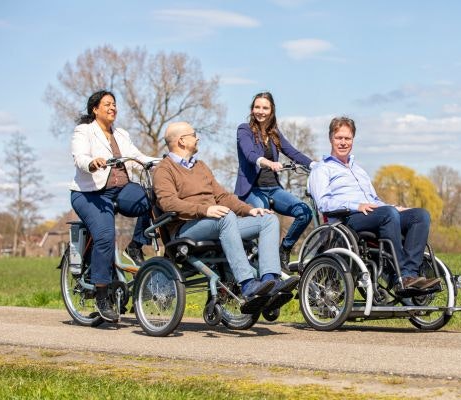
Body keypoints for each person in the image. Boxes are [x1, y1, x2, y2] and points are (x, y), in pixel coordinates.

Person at [153, 121, 299, 313]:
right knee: (225, 216)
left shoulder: (201, 166)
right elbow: (168, 203)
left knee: (268, 219)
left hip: (218, 222)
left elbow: (222, 197)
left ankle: (269, 280)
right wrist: (204, 210)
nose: (198, 138)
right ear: (181, 140)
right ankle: (246, 283)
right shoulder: (164, 169)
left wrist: (249, 210)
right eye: (194, 134)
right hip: (186, 228)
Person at [308, 117, 440, 294]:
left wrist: (394, 207)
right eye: (339, 138)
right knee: (388, 214)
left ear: (353, 140)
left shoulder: (359, 170)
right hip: (347, 219)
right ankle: (399, 276)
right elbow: (323, 203)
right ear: (331, 138)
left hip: (374, 213)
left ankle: (410, 273)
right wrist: (356, 205)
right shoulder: (322, 169)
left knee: (420, 216)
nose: (343, 142)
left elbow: (375, 200)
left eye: (347, 138)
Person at [70, 90, 158, 322]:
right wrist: (91, 162)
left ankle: (136, 244)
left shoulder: (121, 133)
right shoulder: (84, 131)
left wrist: (162, 161)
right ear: (95, 109)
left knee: (152, 198)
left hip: (121, 190)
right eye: (107, 104)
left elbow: (138, 157)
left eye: (114, 104)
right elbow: (79, 156)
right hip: (91, 194)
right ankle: (101, 294)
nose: (112, 108)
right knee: (106, 236)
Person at [235, 92, 315, 271]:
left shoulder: (274, 134)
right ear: (252, 109)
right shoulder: (244, 130)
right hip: (252, 189)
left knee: (304, 212)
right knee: (266, 218)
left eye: (265, 108)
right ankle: (266, 268)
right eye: (257, 107)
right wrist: (268, 162)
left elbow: (293, 152)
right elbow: (250, 154)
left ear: (271, 111)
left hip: (273, 188)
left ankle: (284, 250)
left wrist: (315, 165)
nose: (260, 111)